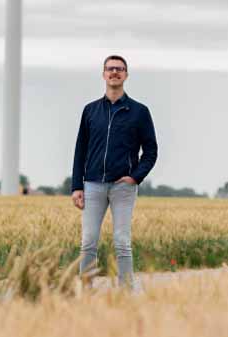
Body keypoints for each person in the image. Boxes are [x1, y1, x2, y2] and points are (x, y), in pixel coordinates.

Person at [70, 55, 158, 288]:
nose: (114, 72)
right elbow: (80, 150)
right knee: (88, 241)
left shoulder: (139, 111)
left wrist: (135, 177)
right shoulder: (90, 110)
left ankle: (126, 292)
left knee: (122, 241)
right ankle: (86, 292)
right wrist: (76, 186)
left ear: (126, 75)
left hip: (123, 186)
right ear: (103, 74)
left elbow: (151, 150)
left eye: (119, 69)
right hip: (93, 184)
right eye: (110, 69)